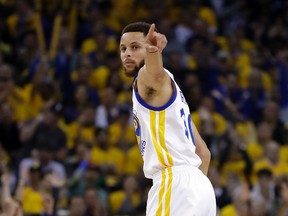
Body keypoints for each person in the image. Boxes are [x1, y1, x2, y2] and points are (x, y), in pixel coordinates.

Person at [119, 22, 216, 215]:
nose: (127, 53)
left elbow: (153, 75)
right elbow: (203, 152)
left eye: (135, 47)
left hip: (173, 182)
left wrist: (154, 52)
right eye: (123, 48)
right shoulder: (173, 92)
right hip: (200, 188)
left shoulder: (147, 78)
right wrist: (193, 192)